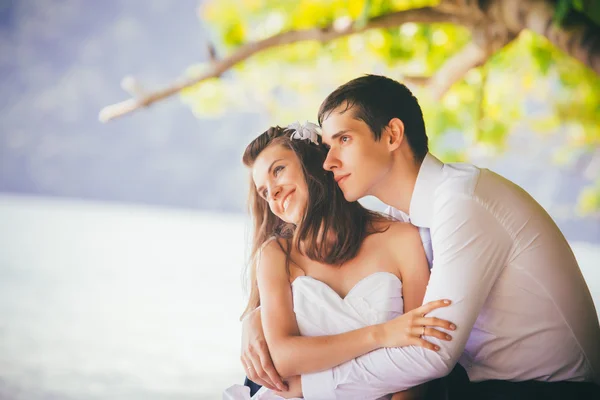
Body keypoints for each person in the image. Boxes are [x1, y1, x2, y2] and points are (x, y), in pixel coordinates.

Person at [241, 75, 600, 399]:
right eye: (328, 145)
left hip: (546, 389)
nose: (329, 161)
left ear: (393, 135)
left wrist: (305, 388)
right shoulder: (406, 214)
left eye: (344, 140)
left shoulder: (461, 203)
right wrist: (254, 320)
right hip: (473, 382)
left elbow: (432, 352)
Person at [224, 123, 456, 399]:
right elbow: (284, 358)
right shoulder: (276, 255)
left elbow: (420, 352)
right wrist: (380, 335)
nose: (272, 192)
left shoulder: (402, 239)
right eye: (263, 191)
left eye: (278, 170)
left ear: (315, 162)